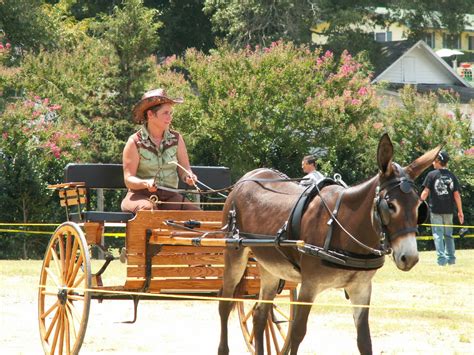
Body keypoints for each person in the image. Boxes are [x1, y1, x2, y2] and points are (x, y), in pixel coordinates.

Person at [121, 88, 200, 213]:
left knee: (197, 214)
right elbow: (129, 179)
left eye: (171, 113)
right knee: (148, 210)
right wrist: (145, 183)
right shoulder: (134, 142)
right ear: (150, 115)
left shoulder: (177, 139)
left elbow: (185, 170)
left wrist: (189, 177)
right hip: (140, 196)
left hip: (170, 197)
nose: (170, 117)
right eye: (165, 113)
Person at [420, 150, 464, 266]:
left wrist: (418, 204)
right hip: (449, 211)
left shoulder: (431, 175)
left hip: (435, 211)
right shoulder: (451, 175)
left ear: (438, 161)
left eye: (434, 160)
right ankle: (451, 259)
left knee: (438, 235)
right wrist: (460, 212)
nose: (433, 163)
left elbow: (425, 193)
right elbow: (457, 195)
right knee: (448, 235)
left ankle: (441, 261)